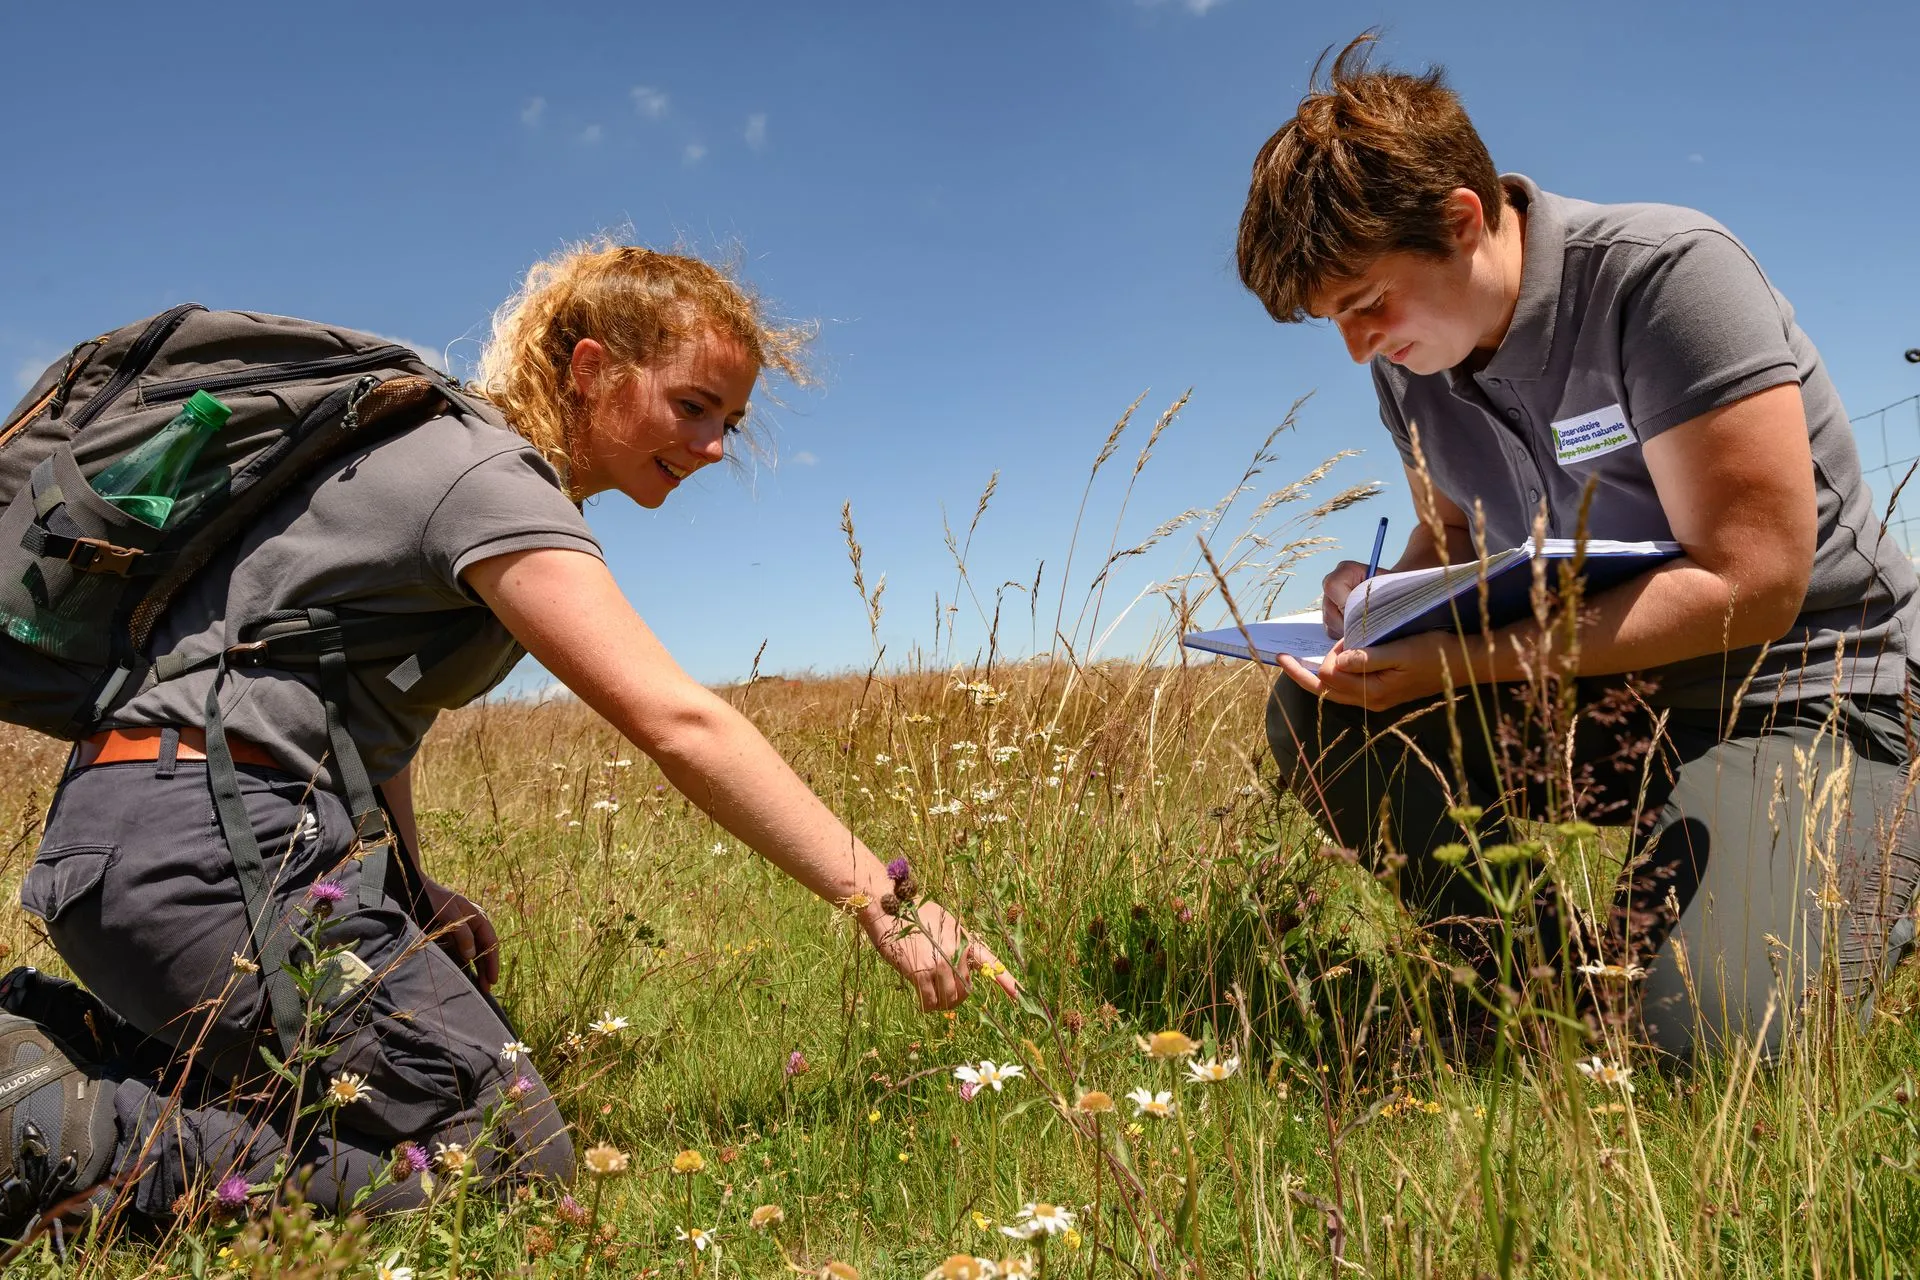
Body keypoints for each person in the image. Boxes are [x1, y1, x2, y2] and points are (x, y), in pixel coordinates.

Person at [0, 243, 1016, 1236]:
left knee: (428, 1112)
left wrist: (409, 884)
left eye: (731, 422)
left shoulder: (459, 466)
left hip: (165, 844)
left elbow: (375, 711)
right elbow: (678, 717)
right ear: (590, 368)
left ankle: (44, 1050)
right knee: (506, 1159)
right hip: (201, 850)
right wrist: (885, 899)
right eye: (692, 405)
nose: (713, 447)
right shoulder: (483, 474)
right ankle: (39, 1133)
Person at [1235, 35, 1920, 1058]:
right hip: (1609, 690)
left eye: (1366, 302)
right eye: (1330, 320)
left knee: (1715, 1043)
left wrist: (1455, 657)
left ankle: (1865, 855)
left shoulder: (1666, 279)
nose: (1355, 345)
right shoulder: (1413, 364)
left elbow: (1756, 581)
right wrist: (1383, 600)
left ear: (1463, 220)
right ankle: (1539, 992)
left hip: (1805, 688)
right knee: (1322, 706)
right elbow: (1458, 531)